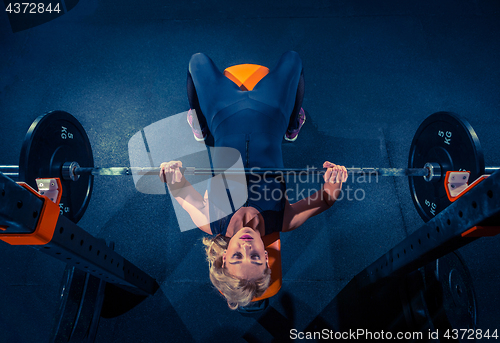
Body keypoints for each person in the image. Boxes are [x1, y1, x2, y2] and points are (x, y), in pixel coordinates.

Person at [159, 51, 348, 310]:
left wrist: (171, 173)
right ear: (267, 258)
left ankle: (201, 128)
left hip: (222, 115)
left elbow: (179, 189)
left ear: (224, 258)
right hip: (271, 114)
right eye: (256, 256)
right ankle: (292, 127)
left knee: (197, 61)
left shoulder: (209, 220)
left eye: (238, 256)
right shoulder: (281, 220)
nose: (247, 247)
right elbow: (325, 200)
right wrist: (334, 181)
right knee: (293, 60)